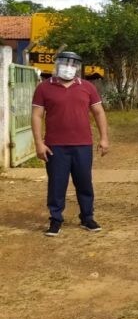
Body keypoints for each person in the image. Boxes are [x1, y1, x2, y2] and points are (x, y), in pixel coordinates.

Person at [31, 51, 109, 237]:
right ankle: (56, 219)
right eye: (64, 63)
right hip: (55, 146)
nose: (68, 67)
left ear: (77, 67)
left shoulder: (87, 87)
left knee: (84, 182)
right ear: (56, 65)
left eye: (72, 64)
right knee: (57, 183)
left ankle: (87, 217)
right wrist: (39, 143)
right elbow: (37, 115)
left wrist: (104, 138)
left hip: (82, 144)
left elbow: (98, 112)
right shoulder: (43, 88)